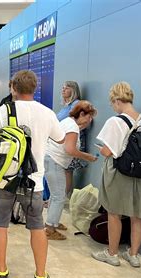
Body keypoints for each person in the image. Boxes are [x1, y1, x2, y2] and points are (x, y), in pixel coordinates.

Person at [0, 70, 65, 278]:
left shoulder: (6, 110)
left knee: (0, 224)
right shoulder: (47, 112)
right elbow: (59, 138)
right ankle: (40, 276)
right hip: (35, 182)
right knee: (37, 227)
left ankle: (1, 272)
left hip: (5, 179)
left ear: (13, 88)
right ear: (35, 88)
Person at [92, 82, 141, 268]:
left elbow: (108, 151)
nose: (113, 107)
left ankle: (112, 254)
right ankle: (133, 255)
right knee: (138, 215)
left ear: (117, 100)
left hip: (120, 173)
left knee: (114, 213)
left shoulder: (115, 121)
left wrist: (101, 150)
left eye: (112, 103)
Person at [44, 101, 98, 240]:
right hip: (54, 162)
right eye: (88, 117)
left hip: (52, 160)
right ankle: (50, 229)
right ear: (81, 114)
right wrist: (88, 157)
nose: (89, 121)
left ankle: (52, 221)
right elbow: (70, 149)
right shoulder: (72, 127)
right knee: (59, 196)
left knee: (55, 195)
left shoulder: (68, 123)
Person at [56, 81, 85, 201]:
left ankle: (64, 198)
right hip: (62, 143)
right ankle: (59, 197)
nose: (63, 90)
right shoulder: (66, 106)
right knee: (62, 171)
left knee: (67, 171)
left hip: (71, 142)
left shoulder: (77, 104)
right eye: (62, 87)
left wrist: (71, 133)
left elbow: (84, 121)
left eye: (66, 88)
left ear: (73, 90)